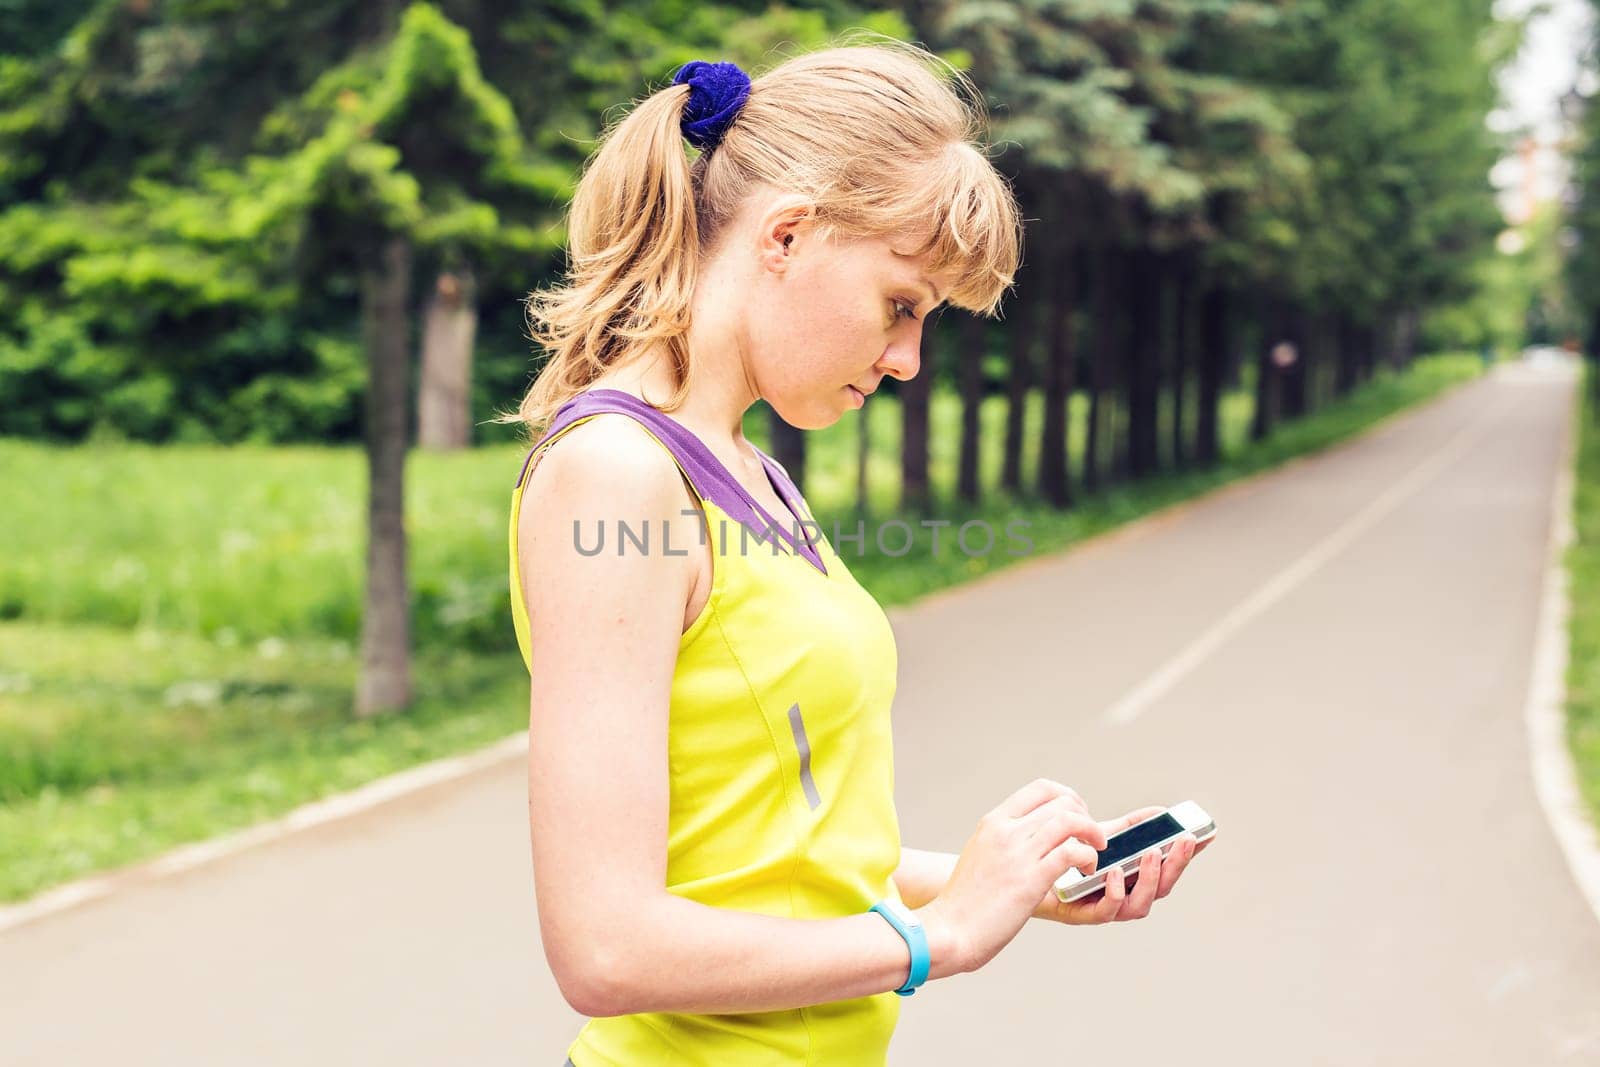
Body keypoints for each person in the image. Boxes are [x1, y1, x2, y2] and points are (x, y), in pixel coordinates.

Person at [500, 38, 1208, 1066]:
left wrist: (1015, 884)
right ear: (786, 234)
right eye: (901, 305)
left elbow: (782, 859)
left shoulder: (749, 471)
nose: (908, 359)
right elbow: (605, 945)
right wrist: (941, 935)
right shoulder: (618, 473)